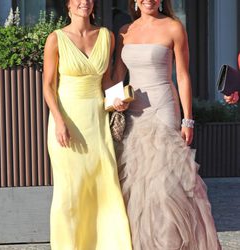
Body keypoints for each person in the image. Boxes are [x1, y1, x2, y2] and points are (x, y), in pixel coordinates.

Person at [112, 0, 222, 249]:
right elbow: (119, 75)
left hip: (163, 108)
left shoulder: (173, 27)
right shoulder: (125, 31)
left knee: (164, 184)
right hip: (133, 112)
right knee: (137, 182)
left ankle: (169, 242)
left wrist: (188, 119)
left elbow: (182, 75)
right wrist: (115, 100)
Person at [43, 0, 132, 249]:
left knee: (103, 184)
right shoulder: (56, 39)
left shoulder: (106, 36)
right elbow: (48, 86)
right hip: (67, 121)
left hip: (97, 121)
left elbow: (105, 82)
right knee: (70, 191)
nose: (85, 2)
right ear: (68, 5)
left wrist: (117, 101)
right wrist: (59, 121)